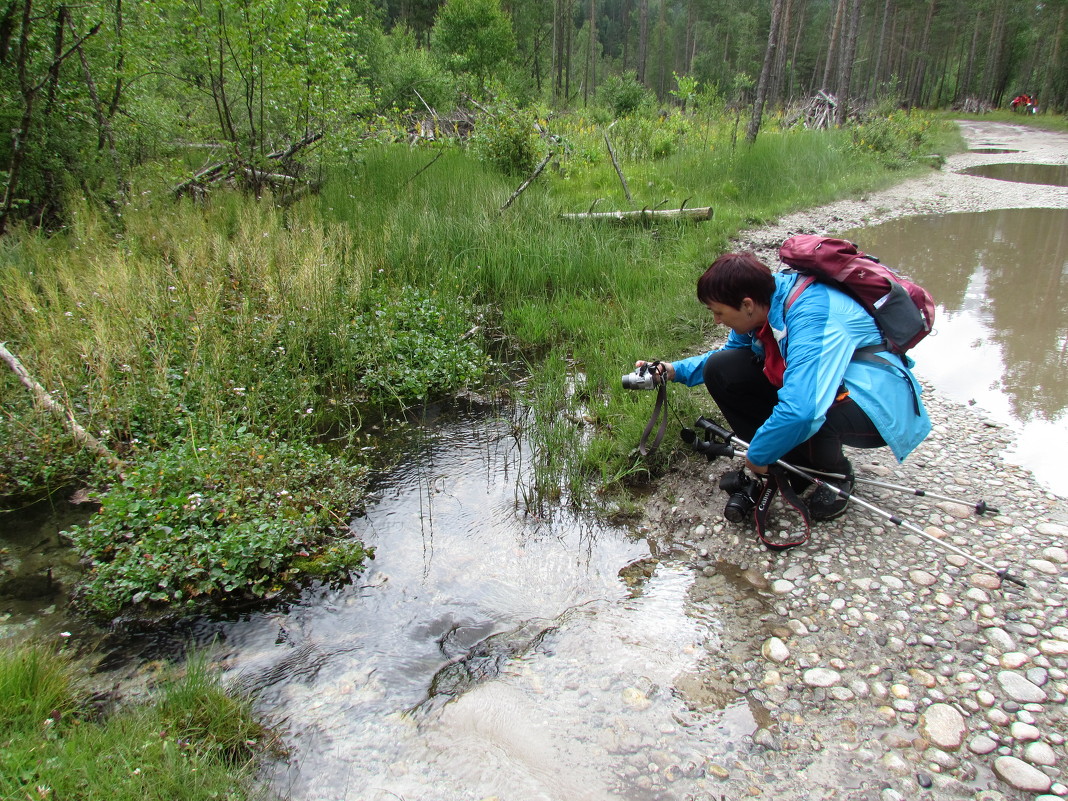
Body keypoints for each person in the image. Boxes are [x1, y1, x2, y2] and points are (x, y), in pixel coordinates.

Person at [639, 251, 931, 521]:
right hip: (835, 386)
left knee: (813, 406)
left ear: (747, 305)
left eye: (719, 312)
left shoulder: (810, 315)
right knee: (723, 368)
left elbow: (803, 409)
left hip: (877, 404)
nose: (716, 321)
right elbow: (724, 359)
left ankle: (836, 475)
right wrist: (672, 370)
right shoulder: (764, 304)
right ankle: (797, 465)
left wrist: (757, 455)